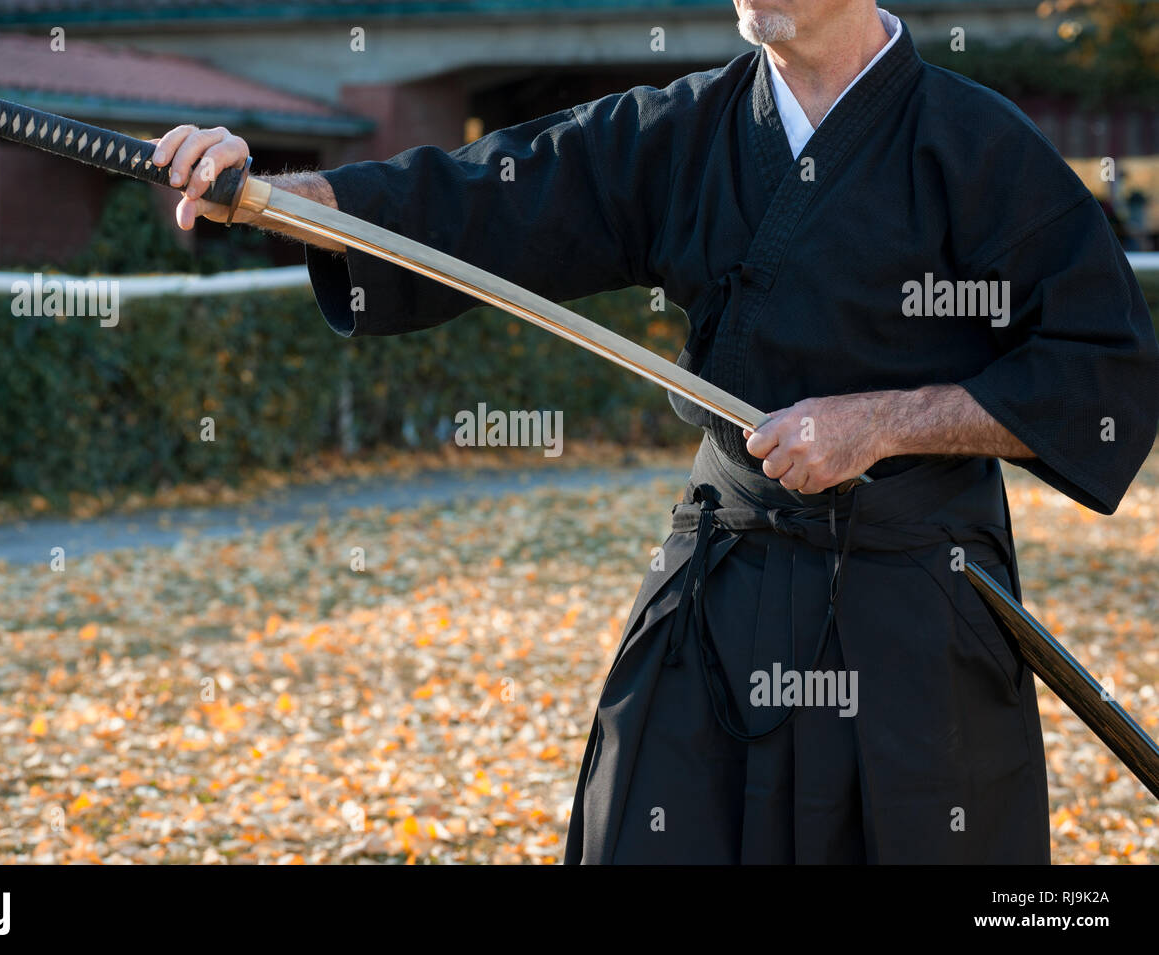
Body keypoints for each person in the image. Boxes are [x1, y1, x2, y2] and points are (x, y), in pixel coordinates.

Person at [152, 1, 1159, 863]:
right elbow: (487, 194)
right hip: (724, 581)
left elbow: (1100, 369)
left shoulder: (977, 147)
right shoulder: (685, 130)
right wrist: (287, 201)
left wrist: (881, 424)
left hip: (914, 608)